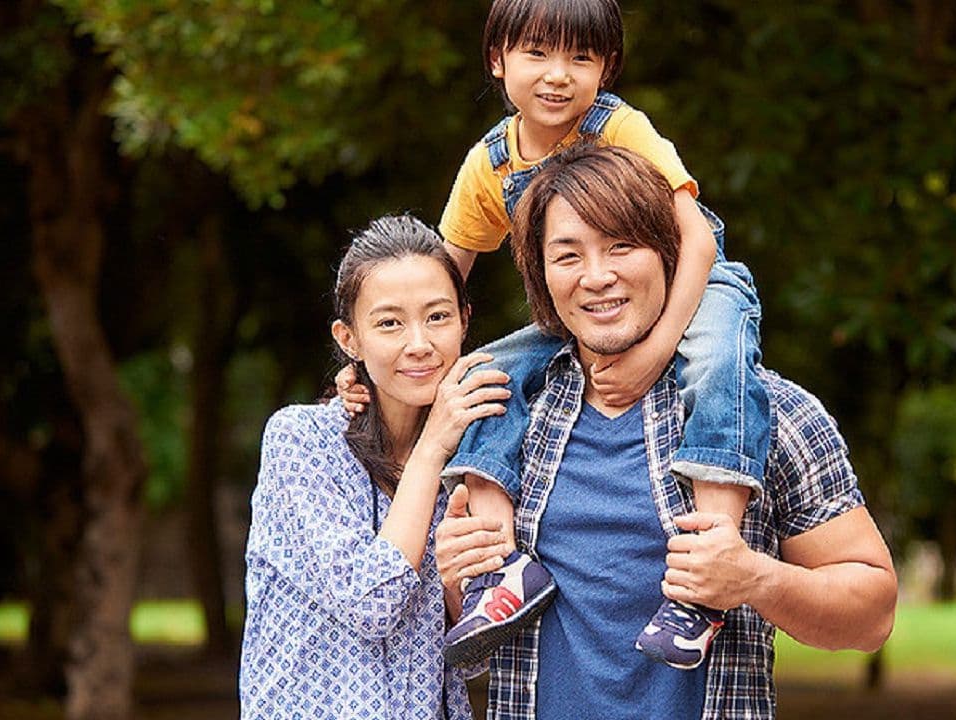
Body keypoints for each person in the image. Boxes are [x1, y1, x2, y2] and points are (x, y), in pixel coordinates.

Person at [341, 0, 768, 670]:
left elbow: (697, 243)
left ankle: (706, 575)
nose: (558, 75)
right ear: (497, 59)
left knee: (719, 361)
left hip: (692, 285)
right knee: (479, 372)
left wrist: (657, 352)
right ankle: (501, 567)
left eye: (581, 57)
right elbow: (437, 285)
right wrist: (377, 361)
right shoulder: (491, 165)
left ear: (608, 67)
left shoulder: (621, 128)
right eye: (537, 53)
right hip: (582, 313)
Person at [435, 144, 897, 720]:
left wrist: (754, 578)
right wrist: (457, 582)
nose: (596, 277)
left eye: (621, 246)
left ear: (671, 255)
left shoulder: (765, 412)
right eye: (568, 255)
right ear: (541, 273)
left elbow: (873, 613)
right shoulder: (500, 420)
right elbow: (463, 650)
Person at [239, 215, 515, 719]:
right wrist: (432, 445)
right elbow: (373, 601)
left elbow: (477, 655)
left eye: (437, 317)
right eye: (389, 323)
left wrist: (457, 586)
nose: (419, 343)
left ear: (465, 320)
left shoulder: (477, 460)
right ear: (350, 339)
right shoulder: (301, 441)